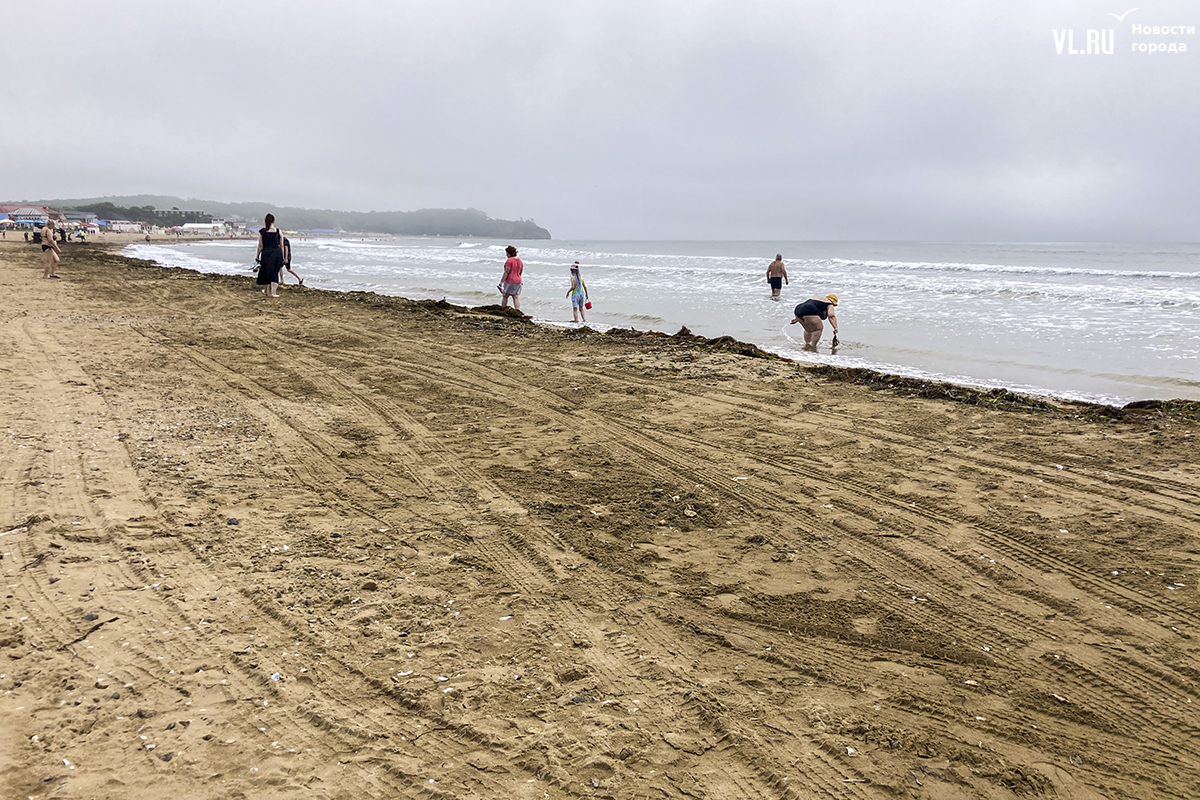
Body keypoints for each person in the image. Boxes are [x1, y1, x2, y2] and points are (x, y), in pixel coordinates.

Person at [255, 213, 284, 298]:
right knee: (275, 272)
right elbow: (281, 245)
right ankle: (273, 293)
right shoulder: (279, 231)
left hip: (266, 252)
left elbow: (260, 245)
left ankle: (266, 291)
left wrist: (257, 255)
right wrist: (282, 256)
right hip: (276, 252)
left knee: (265, 271)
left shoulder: (262, 232)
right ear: (274, 221)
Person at [499, 245, 523, 310]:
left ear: (509, 254)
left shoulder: (509, 261)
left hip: (510, 280)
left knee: (505, 296)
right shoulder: (520, 261)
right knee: (515, 297)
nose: (506, 255)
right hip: (518, 280)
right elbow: (520, 272)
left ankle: (503, 309)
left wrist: (501, 282)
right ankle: (517, 310)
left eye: (506, 253)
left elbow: (507, 272)